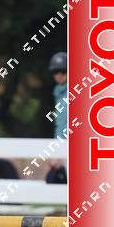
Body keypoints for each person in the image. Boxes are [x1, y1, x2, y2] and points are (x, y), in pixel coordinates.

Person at [46, 51, 67, 184]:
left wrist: (59, 154)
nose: (59, 75)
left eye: (63, 71)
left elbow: (66, 124)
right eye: (55, 72)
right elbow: (59, 125)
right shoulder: (58, 92)